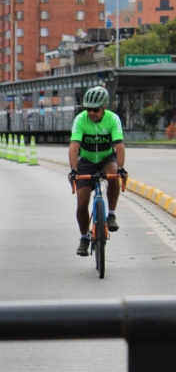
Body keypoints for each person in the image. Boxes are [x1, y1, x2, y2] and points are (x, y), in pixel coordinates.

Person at [68, 86, 127, 256]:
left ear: (104, 107)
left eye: (95, 109)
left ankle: (111, 214)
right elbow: (73, 147)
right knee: (82, 202)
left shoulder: (112, 119)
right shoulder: (80, 120)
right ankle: (84, 238)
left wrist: (121, 168)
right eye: (88, 109)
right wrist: (74, 170)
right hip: (86, 160)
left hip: (106, 158)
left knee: (114, 174)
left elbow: (119, 146)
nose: (91, 113)